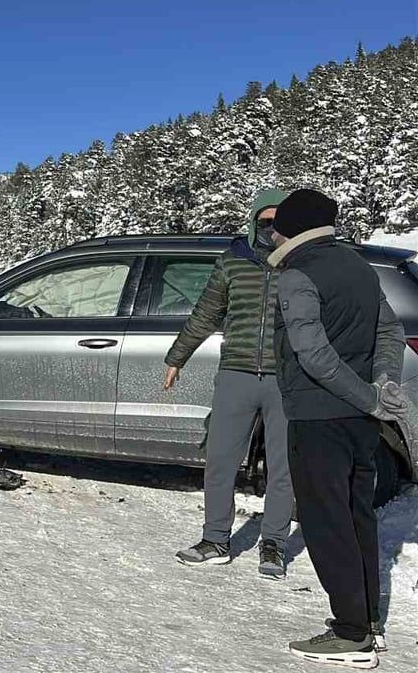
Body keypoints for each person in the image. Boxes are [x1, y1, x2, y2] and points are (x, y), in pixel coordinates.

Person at [266, 188, 406, 668]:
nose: (271, 234)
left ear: (294, 227)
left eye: (276, 225)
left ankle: (350, 636)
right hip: (360, 421)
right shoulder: (359, 267)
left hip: (318, 415)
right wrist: (382, 382)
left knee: (327, 523)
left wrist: (369, 395)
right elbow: (388, 331)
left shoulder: (297, 273)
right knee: (356, 516)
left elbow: (312, 353)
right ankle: (367, 623)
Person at [167, 188, 293, 578]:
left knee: (283, 466)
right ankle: (216, 538)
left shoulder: (302, 265)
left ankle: (273, 543)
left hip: (285, 379)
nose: (272, 230)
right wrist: (177, 357)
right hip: (236, 374)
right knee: (220, 459)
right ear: (254, 221)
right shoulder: (232, 262)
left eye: (280, 223)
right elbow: (205, 313)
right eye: (265, 221)